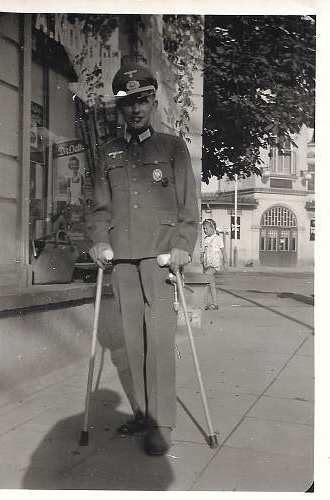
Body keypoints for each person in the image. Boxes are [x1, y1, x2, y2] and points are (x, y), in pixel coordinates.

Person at [86, 63, 199, 456]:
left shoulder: (172, 147)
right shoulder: (109, 152)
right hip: (122, 258)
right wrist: (99, 242)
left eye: (141, 100)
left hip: (161, 257)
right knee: (133, 340)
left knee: (161, 339)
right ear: (120, 108)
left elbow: (189, 206)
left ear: (152, 102)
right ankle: (143, 412)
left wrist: (184, 245)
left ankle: (162, 423)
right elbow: (100, 209)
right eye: (127, 103)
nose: (135, 109)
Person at [201, 218, 228, 310]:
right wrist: (202, 258)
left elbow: (223, 251)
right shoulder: (205, 239)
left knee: (206, 278)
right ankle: (215, 303)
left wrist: (225, 262)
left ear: (213, 228)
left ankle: (204, 302)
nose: (205, 230)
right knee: (211, 284)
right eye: (204, 229)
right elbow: (205, 251)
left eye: (206, 228)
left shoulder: (217, 239)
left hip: (214, 264)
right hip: (207, 264)